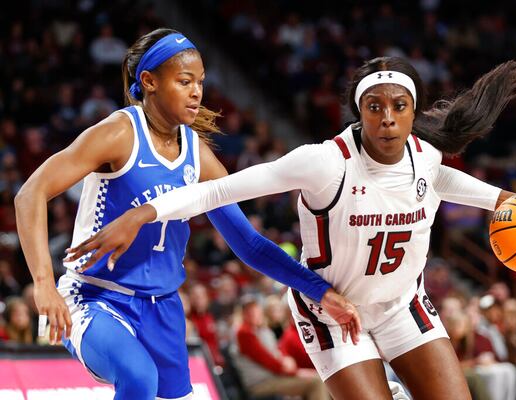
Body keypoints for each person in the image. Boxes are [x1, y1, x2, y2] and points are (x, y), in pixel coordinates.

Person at [67, 56, 516, 399]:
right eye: (374, 107)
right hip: (335, 311)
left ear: (412, 114)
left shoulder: (425, 158)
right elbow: (221, 190)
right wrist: (145, 212)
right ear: (359, 112)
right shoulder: (323, 162)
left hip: (404, 306)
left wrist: (506, 200)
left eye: (399, 107)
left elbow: (445, 178)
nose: (387, 117)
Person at [14, 28, 360, 400]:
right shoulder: (118, 133)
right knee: (139, 377)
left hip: (163, 309)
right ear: (149, 82)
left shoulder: (200, 157)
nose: (197, 91)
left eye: (200, 82)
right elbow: (30, 194)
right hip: (96, 297)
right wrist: (44, 285)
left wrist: (320, 291)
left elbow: (249, 245)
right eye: (184, 81)